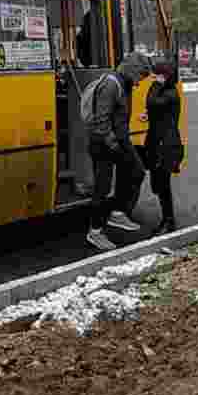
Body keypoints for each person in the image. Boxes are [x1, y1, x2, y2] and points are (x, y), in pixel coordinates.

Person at [86, 52, 153, 251]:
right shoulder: (111, 84)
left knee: (136, 171)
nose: (140, 81)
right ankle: (95, 232)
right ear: (131, 69)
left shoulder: (124, 83)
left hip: (118, 141)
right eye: (140, 75)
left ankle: (118, 213)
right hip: (104, 144)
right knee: (102, 188)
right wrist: (113, 144)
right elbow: (101, 120)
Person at [141, 57, 184, 236]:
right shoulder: (165, 91)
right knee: (159, 183)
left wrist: (157, 85)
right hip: (158, 142)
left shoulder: (170, 93)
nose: (153, 78)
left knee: (163, 184)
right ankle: (167, 219)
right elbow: (153, 107)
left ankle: (169, 221)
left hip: (165, 145)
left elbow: (152, 102)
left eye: (157, 75)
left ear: (164, 76)